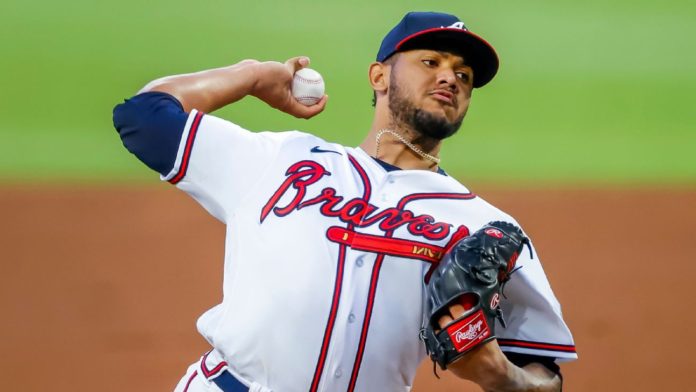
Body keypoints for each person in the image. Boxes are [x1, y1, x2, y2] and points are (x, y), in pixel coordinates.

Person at [113, 11, 576, 392]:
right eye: (430, 62)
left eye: (464, 75)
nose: (449, 78)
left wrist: (501, 374)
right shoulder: (281, 159)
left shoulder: (484, 226)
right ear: (379, 75)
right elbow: (143, 117)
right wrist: (251, 76)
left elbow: (545, 375)